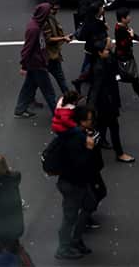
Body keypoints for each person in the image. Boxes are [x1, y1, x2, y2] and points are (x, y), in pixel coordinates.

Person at [55, 107, 97, 260]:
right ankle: (64, 248)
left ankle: (75, 239)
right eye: (90, 119)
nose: (92, 122)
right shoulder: (76, 139)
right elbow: (80, 163)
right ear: (82, 122)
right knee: (70, 216)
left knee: (89, 204)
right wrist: (90, 149)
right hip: (72, 183)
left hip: (76, 182)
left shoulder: (75, 134)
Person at [88, 46, 135, 163]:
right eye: (106, 50)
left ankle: (92, 152)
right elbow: (96, 88)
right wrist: (90, 107)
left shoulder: (103, 62)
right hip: (107, 104)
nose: (108, 51)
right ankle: (119, 153)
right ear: (99, 52)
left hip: (106, 103)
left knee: (101, 128)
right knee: (112, 127)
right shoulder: (100, 67)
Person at [0, 155, 32, 265]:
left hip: (4, 230)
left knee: (0, 252)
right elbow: (12, 176)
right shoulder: (15, 177)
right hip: (17, 225)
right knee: (15, 247)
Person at [14, 3, 57, 118]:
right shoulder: (34, 29)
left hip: (36, 62)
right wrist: (24, 66)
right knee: (49, 91)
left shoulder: (37, 25)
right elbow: (27, 49)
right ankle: (57, 116)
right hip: (37, 64)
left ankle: (20, 109)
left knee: (29, 86)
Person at [72, 2, 110, 93]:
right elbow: (92, 35)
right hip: (94, 48)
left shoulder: (95, 19)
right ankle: (81, 80)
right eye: (101, 8)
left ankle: (80, 80)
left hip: (92, 47)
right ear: (97, 11)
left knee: (89, 64)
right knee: (90, 64)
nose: (103, 9)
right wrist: (104, 28)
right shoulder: (93, 23)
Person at [43, 0, 72, 95]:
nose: (56, 11)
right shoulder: (47, 21)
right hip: (50, 54)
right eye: (54, 9)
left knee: (34, 80)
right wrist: (63, 38)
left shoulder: (50, 17)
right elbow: (48, 39)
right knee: (60, 77)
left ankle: (27, 100)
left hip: (46, 54)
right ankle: (68, 96)